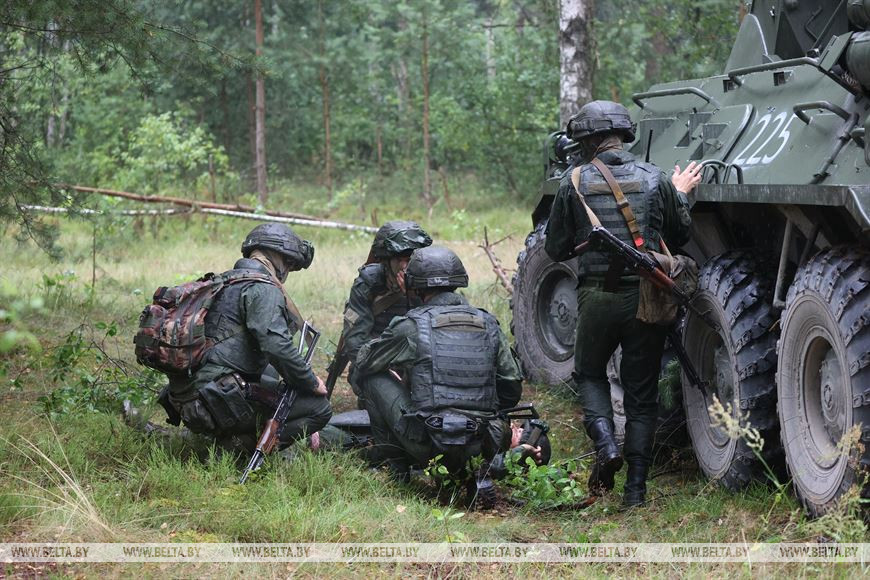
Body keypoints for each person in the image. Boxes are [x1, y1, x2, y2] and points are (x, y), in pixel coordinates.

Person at [544, 100, 702, 507]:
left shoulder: (572, 181)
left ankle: (604, 444)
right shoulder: (653, 178)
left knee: (591, 374)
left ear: (589, 140)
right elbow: (680, 233)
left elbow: (556, 247)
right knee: (641, 395)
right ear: (620, 135)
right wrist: (679, 193)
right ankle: (635, 492)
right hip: (646, 298)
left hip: (596, 297)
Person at [353, 246, 524, 505]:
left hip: (429, 441)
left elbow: (364, 361)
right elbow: (511, 386)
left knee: (370, 377)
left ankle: (396, 468)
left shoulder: (412, 325)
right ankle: (473, 468)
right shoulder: (488, 323)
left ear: (414, 285)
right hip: (482, 440)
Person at [163, 223, 331, 455]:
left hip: (186, 397)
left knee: (270, 376)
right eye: (290, 265)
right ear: (279, 258)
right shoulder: (264, 288)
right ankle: (244, 449)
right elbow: (276, 345)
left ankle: (224, 438)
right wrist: (310, 381)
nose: (288, 272)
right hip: (216, 400)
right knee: (319, 409)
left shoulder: (223, 281)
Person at [330, 220, 432, 404]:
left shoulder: (431, 281)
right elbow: (355, 340)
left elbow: (437, 330)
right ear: (386, 259)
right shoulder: (368, 283)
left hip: (418, 356)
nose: (405, 266)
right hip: (377, 357)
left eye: (410, 259)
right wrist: (382, 364)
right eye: (400, 258)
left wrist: (414, 296)